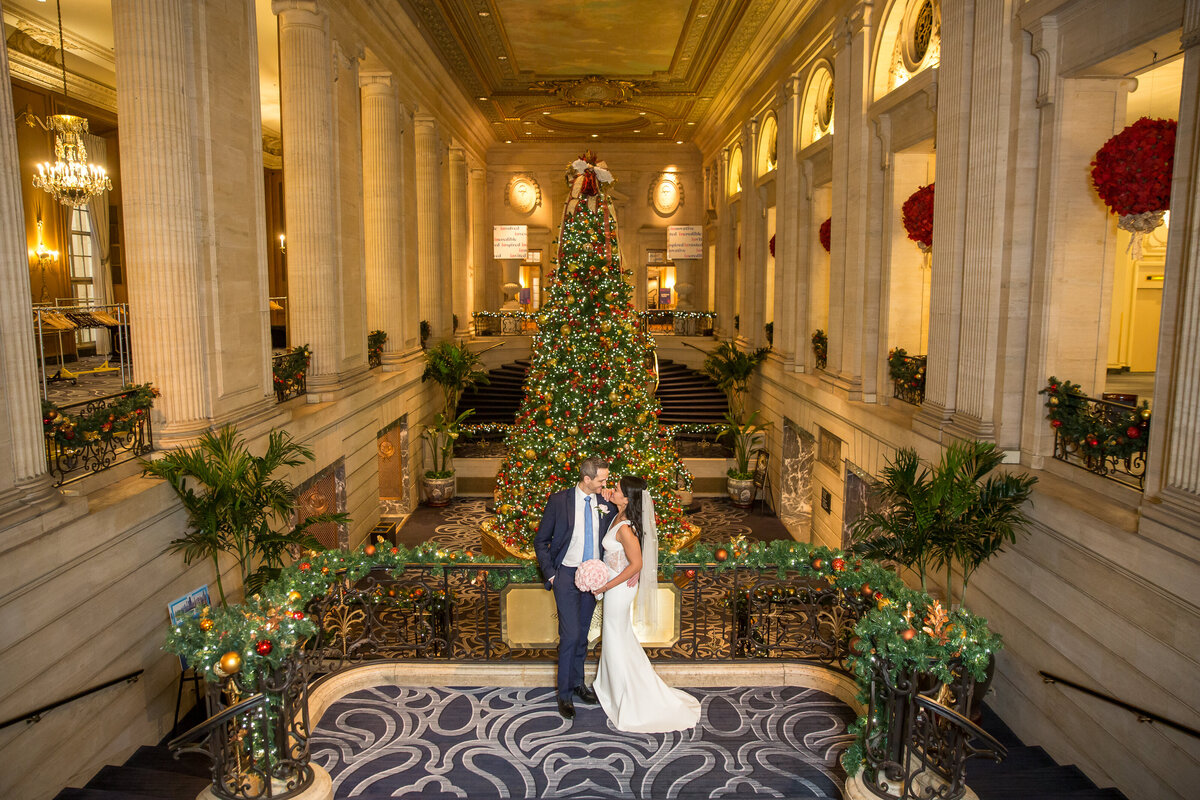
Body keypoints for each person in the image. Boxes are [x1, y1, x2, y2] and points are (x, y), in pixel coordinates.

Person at [592, 476, 701, 733]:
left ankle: (626, 696)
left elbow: (636, 564)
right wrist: (607, 494)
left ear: (628, 499)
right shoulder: (619, 515)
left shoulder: (625, 528)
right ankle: (613, 688)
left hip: (618, 589)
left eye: (617, 489)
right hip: (616, 586)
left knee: (616, 637)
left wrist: (607, 585)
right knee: (618, 637)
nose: (612, 490)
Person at [534, 457, 616, 719]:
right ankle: (565, 695)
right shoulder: (559, 501)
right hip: (567, 577)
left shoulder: (604, 502)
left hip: (594, 578)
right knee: (569, 636)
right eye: (602, 479)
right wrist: (553, 575)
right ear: (587, 479)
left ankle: (579, 683)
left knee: (582, 635)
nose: (606, 483)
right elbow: (541, 541)